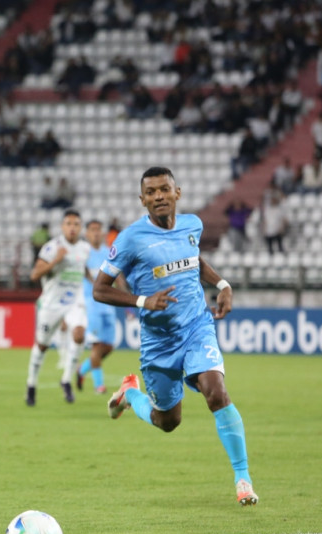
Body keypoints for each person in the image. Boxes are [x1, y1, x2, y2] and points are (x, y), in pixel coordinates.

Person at [92, 166, 258, 506]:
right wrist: (143, 301)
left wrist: (223, 284)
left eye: (164, 189)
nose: (159, 196)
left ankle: (243, 479)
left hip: (197, 326)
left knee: (216, 392)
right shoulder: (130, 239)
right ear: (142, 199)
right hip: (159, 341)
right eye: (151, 192)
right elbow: (100, 289)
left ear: (177, 192)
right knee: (168, 421)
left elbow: (194, 259)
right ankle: (129, 395)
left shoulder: (191, 225)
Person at [25, 209, 90, 406]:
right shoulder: (52, 247)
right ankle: (31, 384)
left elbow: (84, 269)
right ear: (62, 227)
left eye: (76, 224)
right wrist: (56, 260)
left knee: (79, 334)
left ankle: (66, 380)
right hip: (52, 303)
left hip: (74, 302)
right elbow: (34, 275)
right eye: (68, 224)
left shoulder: (85, 248)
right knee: (42, 345)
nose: (72, 228)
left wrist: (97, 283)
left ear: (80, 227)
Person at [76, 220, 118, 394]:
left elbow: (117, 274)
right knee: (96, 346)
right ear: (86, 233)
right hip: (91, 305)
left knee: (108, 346)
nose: (95, 233)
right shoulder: (83, 252)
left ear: (102, 233)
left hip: (108, 304)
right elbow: (83, 271)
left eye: (98, 229)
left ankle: (82, 369)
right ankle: (98, 385)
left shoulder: (109, 252)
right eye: (92, 230)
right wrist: (96, 283)